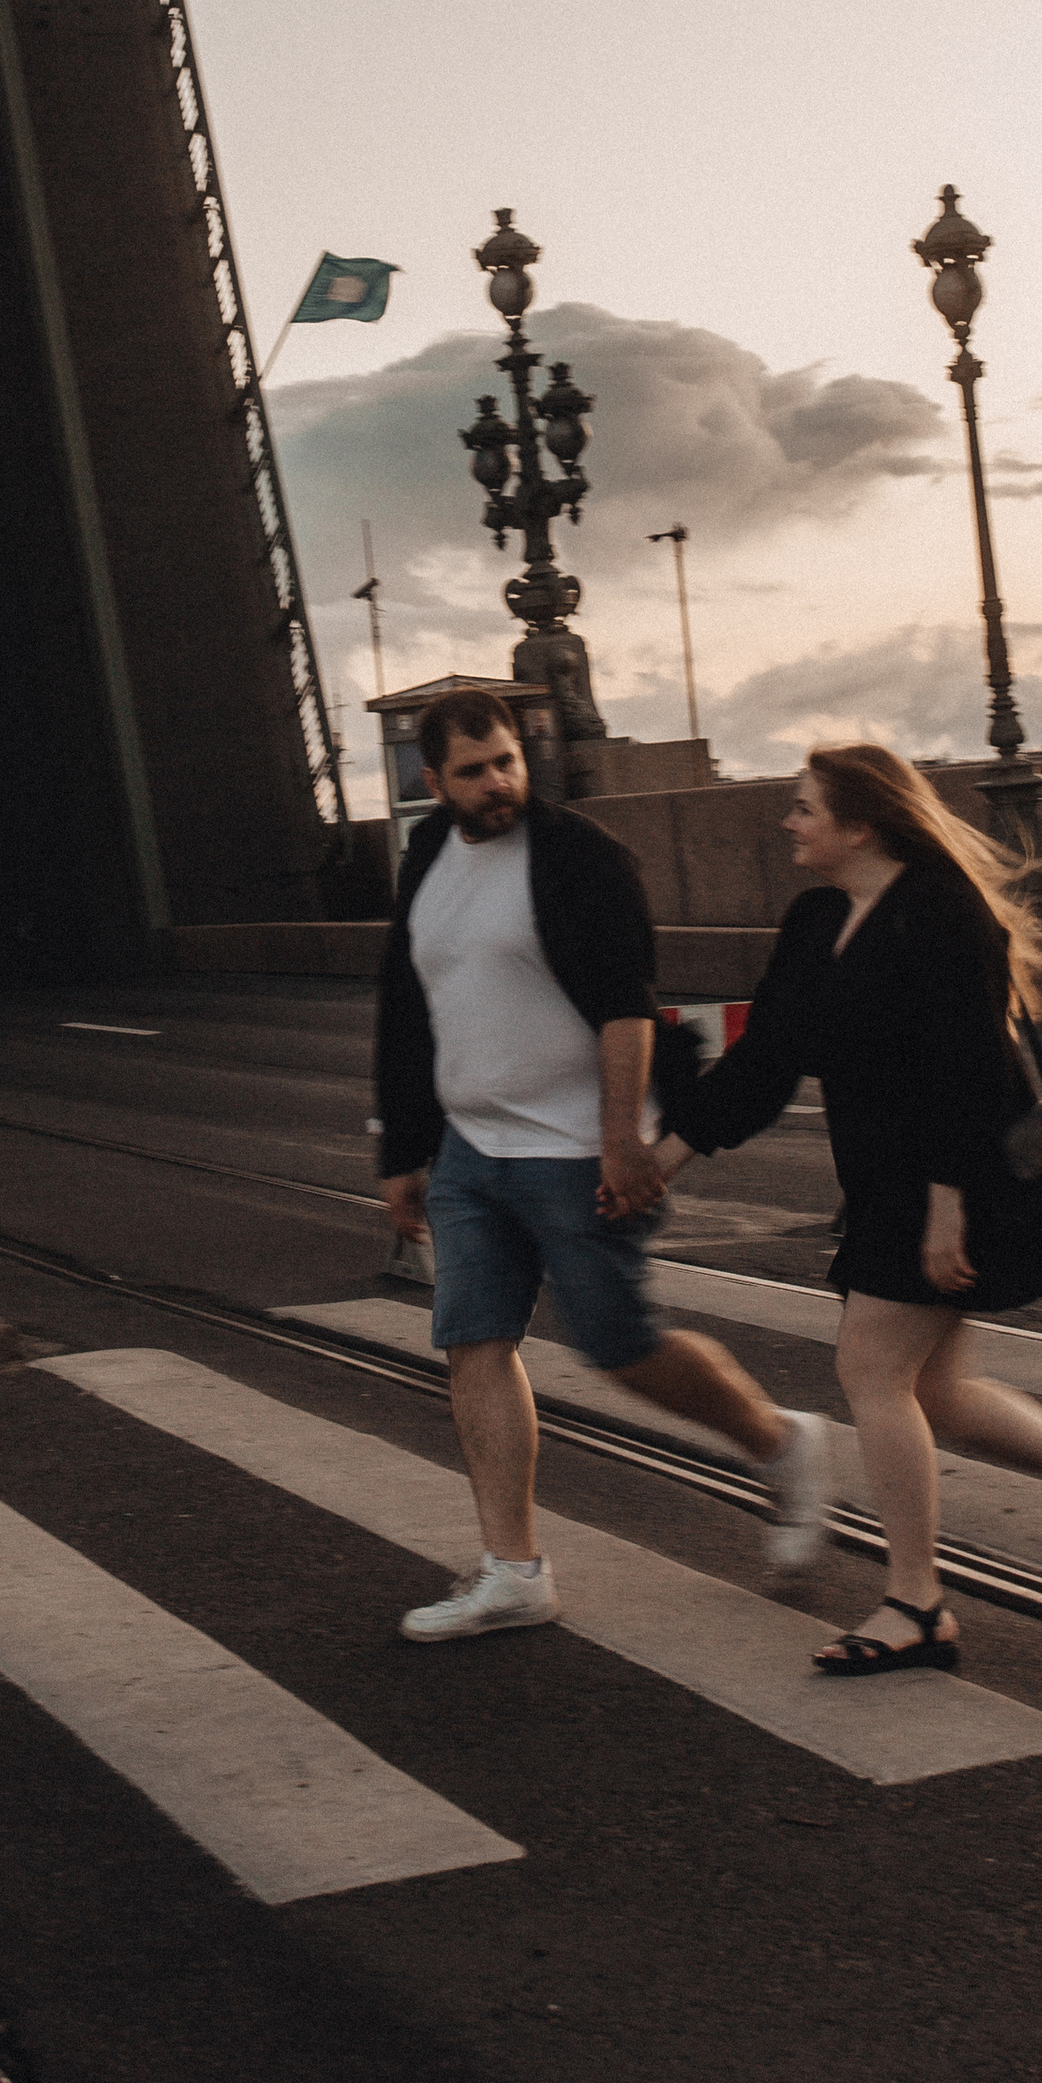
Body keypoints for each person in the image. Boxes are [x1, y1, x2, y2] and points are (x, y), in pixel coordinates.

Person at [654, 741, 1042, 1677]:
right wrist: (665, 1158)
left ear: (860, 824)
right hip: (890, 1185)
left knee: (872, 1372)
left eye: (805, 808)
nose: (789, 823)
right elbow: (763, 1063)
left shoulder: (939, 913)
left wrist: (946, 1209)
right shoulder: (818, 922)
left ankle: (916, 1603)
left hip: (962, 1180)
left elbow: (966, 1071)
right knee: (931, 1390)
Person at [375, 689, 828, 1638]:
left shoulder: (579, 858)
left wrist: (623, 1139)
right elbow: (408, 1005)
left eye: (505, 761)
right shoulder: (426, 858)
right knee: (474, 1342)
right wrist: (405, 1147)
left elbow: (628, 1008)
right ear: (434, 782)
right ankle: (514, 1570)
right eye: (473, 771)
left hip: (573, 1148)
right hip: (471, 1147)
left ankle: (782, 1445)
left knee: (619, 1344)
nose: (497, 783)